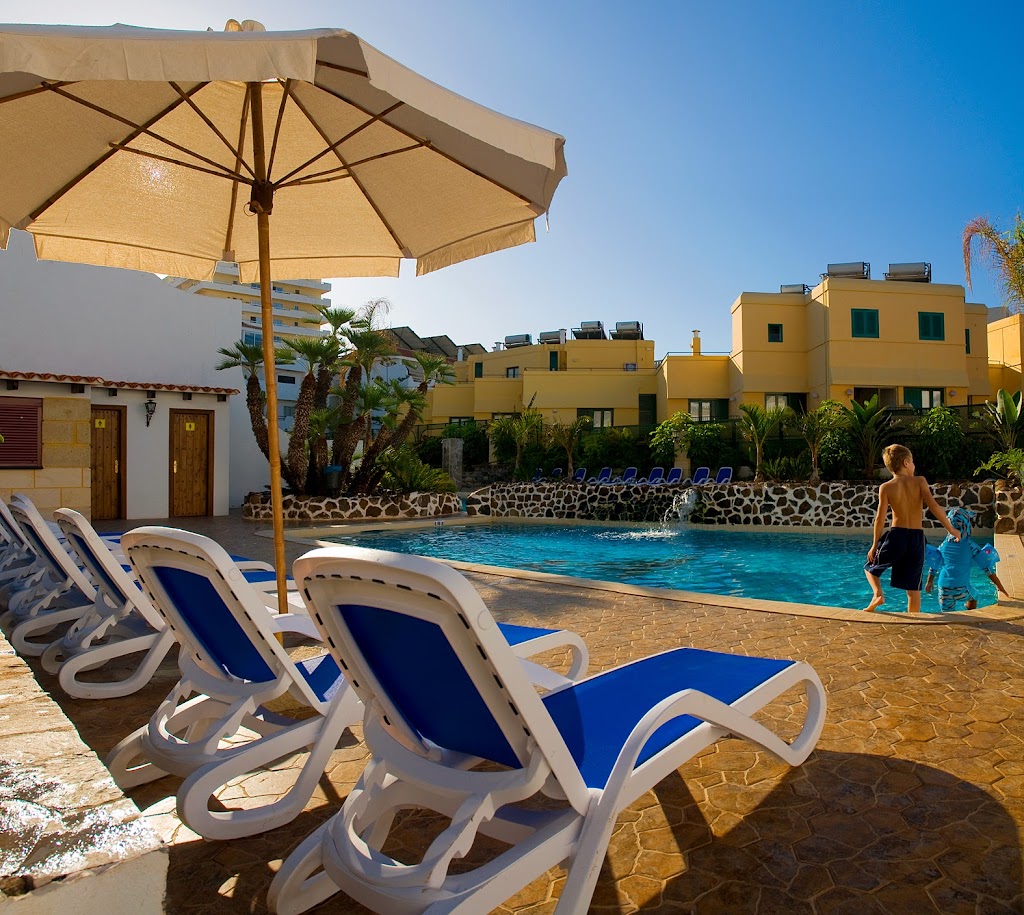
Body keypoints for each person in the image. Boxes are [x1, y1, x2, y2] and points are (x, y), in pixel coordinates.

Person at [864, 444, 960, 613]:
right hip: (916, 539)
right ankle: (914, 621)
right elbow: (934, 507)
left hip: (896, 536)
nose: (914, 465)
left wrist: (874, 545)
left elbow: (880, 518)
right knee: (913, 589)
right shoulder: (920, 481)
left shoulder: (886, 487)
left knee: (870, 567)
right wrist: (951, 529)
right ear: (906, 463)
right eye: (913, 462)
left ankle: (878, 594)